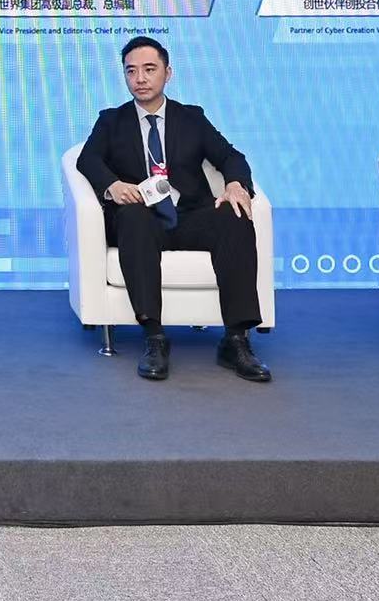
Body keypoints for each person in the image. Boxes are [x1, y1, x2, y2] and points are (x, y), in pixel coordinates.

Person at [75, 36, 268, 383]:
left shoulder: (191, 117)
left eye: (149, 69)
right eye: (131, 71)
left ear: (168, 73)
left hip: (190, 215)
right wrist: (113, 185)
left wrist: (236, 184)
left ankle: (236, 340)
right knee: (132, 216)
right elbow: (87, 159)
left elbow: (230, 156)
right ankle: (154, 338)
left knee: (234, 215)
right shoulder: (111, 121)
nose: (140, 79)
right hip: (142, 218)